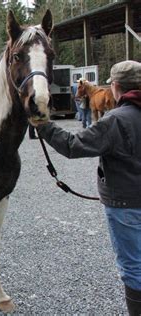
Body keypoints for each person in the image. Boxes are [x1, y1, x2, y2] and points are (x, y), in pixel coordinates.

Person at [33, 60, 141, 315]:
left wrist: (43, 124)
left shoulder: (116, 120)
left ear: (115, 87)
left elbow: (73, 145)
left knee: (134, 268)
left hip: (127, 207)